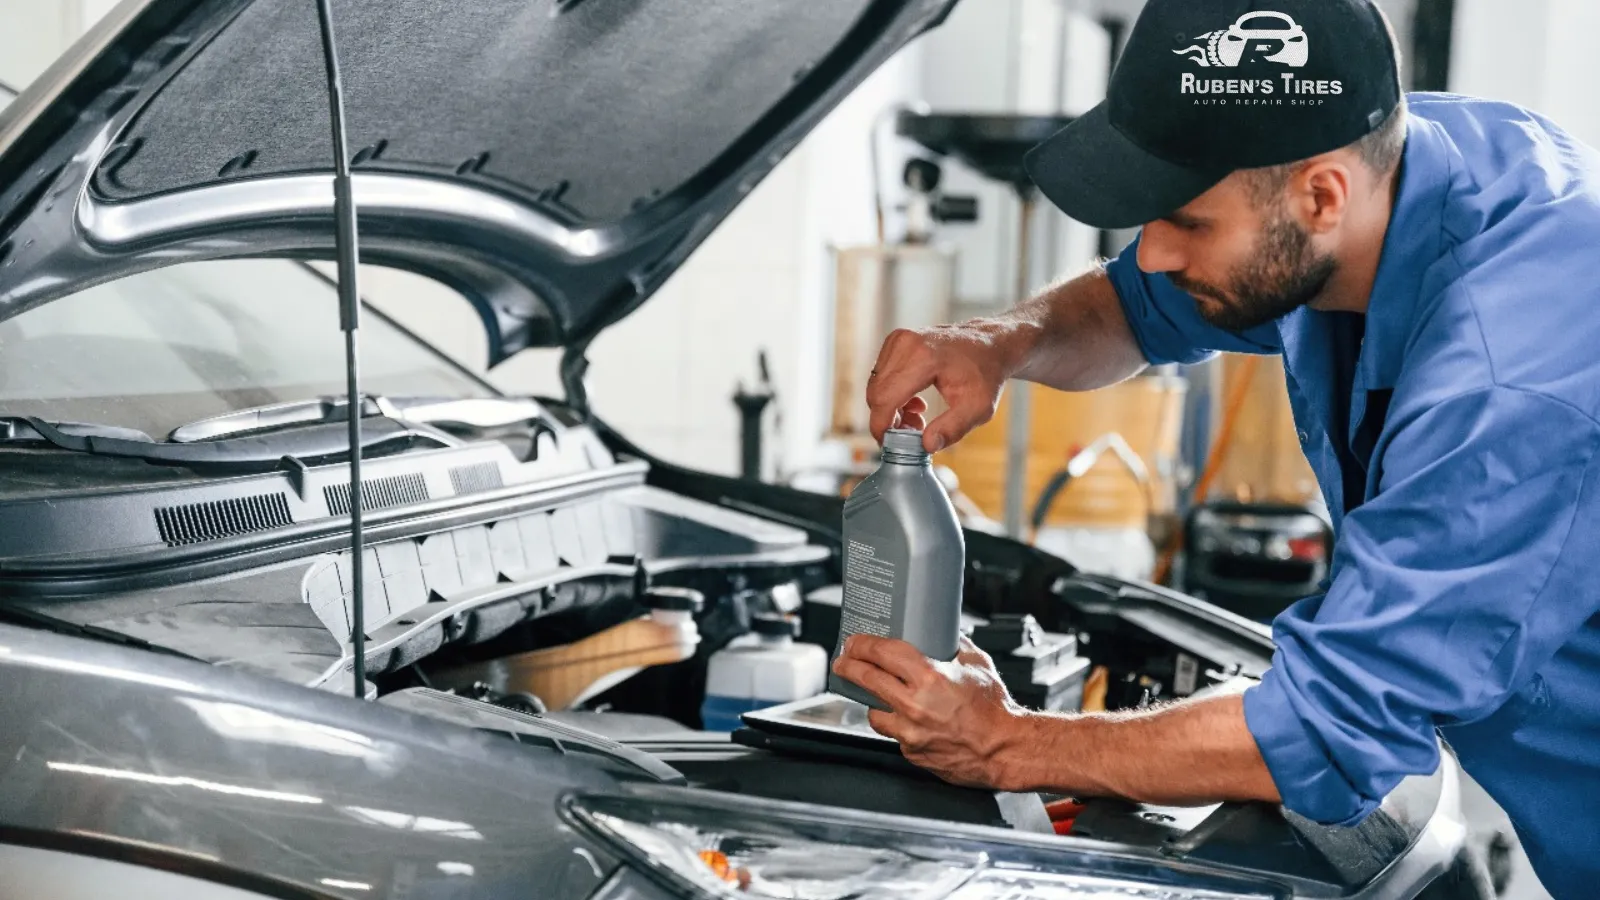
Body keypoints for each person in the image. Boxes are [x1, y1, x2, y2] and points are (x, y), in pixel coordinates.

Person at [830, 0, 1600, 895]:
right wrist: (1003, 340)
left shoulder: (1507, 387)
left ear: (1322, 196)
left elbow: (1327, 731)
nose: (1148, 252)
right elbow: (1138, 306)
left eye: (1185, 222)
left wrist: (1007, 742)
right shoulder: (1391, 171)